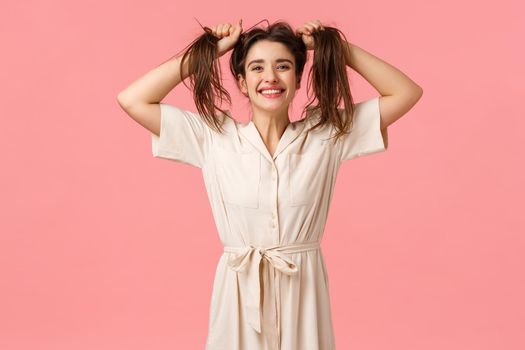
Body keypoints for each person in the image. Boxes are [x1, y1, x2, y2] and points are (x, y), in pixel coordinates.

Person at [117, 18, 423, 350]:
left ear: (296, 77)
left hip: (303, 290)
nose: (270, 77)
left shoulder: (326, 134)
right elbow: (133, 99)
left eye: (283, 66)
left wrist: (336, 48)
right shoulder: (213, 137)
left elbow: (406, 93)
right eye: (257, 68)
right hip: (238, 291)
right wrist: (207, 52)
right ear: (242, 82)